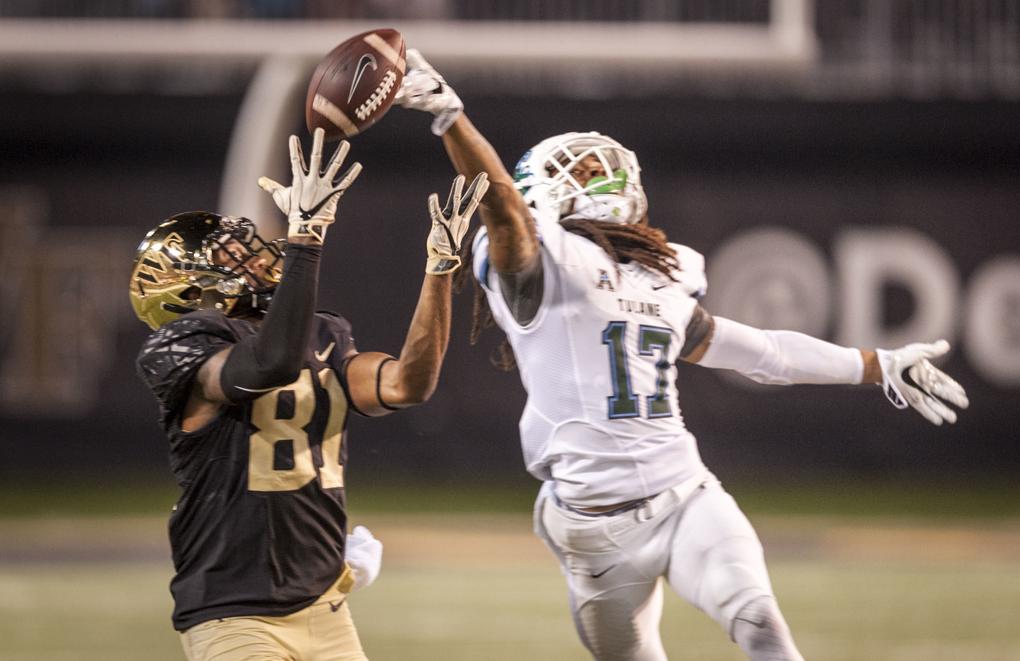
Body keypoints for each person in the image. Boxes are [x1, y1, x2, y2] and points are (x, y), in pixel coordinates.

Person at [394, 52, 970, 661]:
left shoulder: (663, 278)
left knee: (759, 622)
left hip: (686, 496)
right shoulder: (538, 265)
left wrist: (877, 364)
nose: (602, 179)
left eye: (600, 168)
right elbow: (504, 210)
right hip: (592, 529)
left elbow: (766, 352)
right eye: (585, 170)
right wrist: (449, 117)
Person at [131, 127, 488, 660]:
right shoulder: (179, 347)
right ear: (189, 290)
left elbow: (407, 384)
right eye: (231, 259)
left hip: (324, 607)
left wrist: (438, 267)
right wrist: (306, 239)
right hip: (234, 613)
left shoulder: (322, 333)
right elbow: (268, 365)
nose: (255, 259)